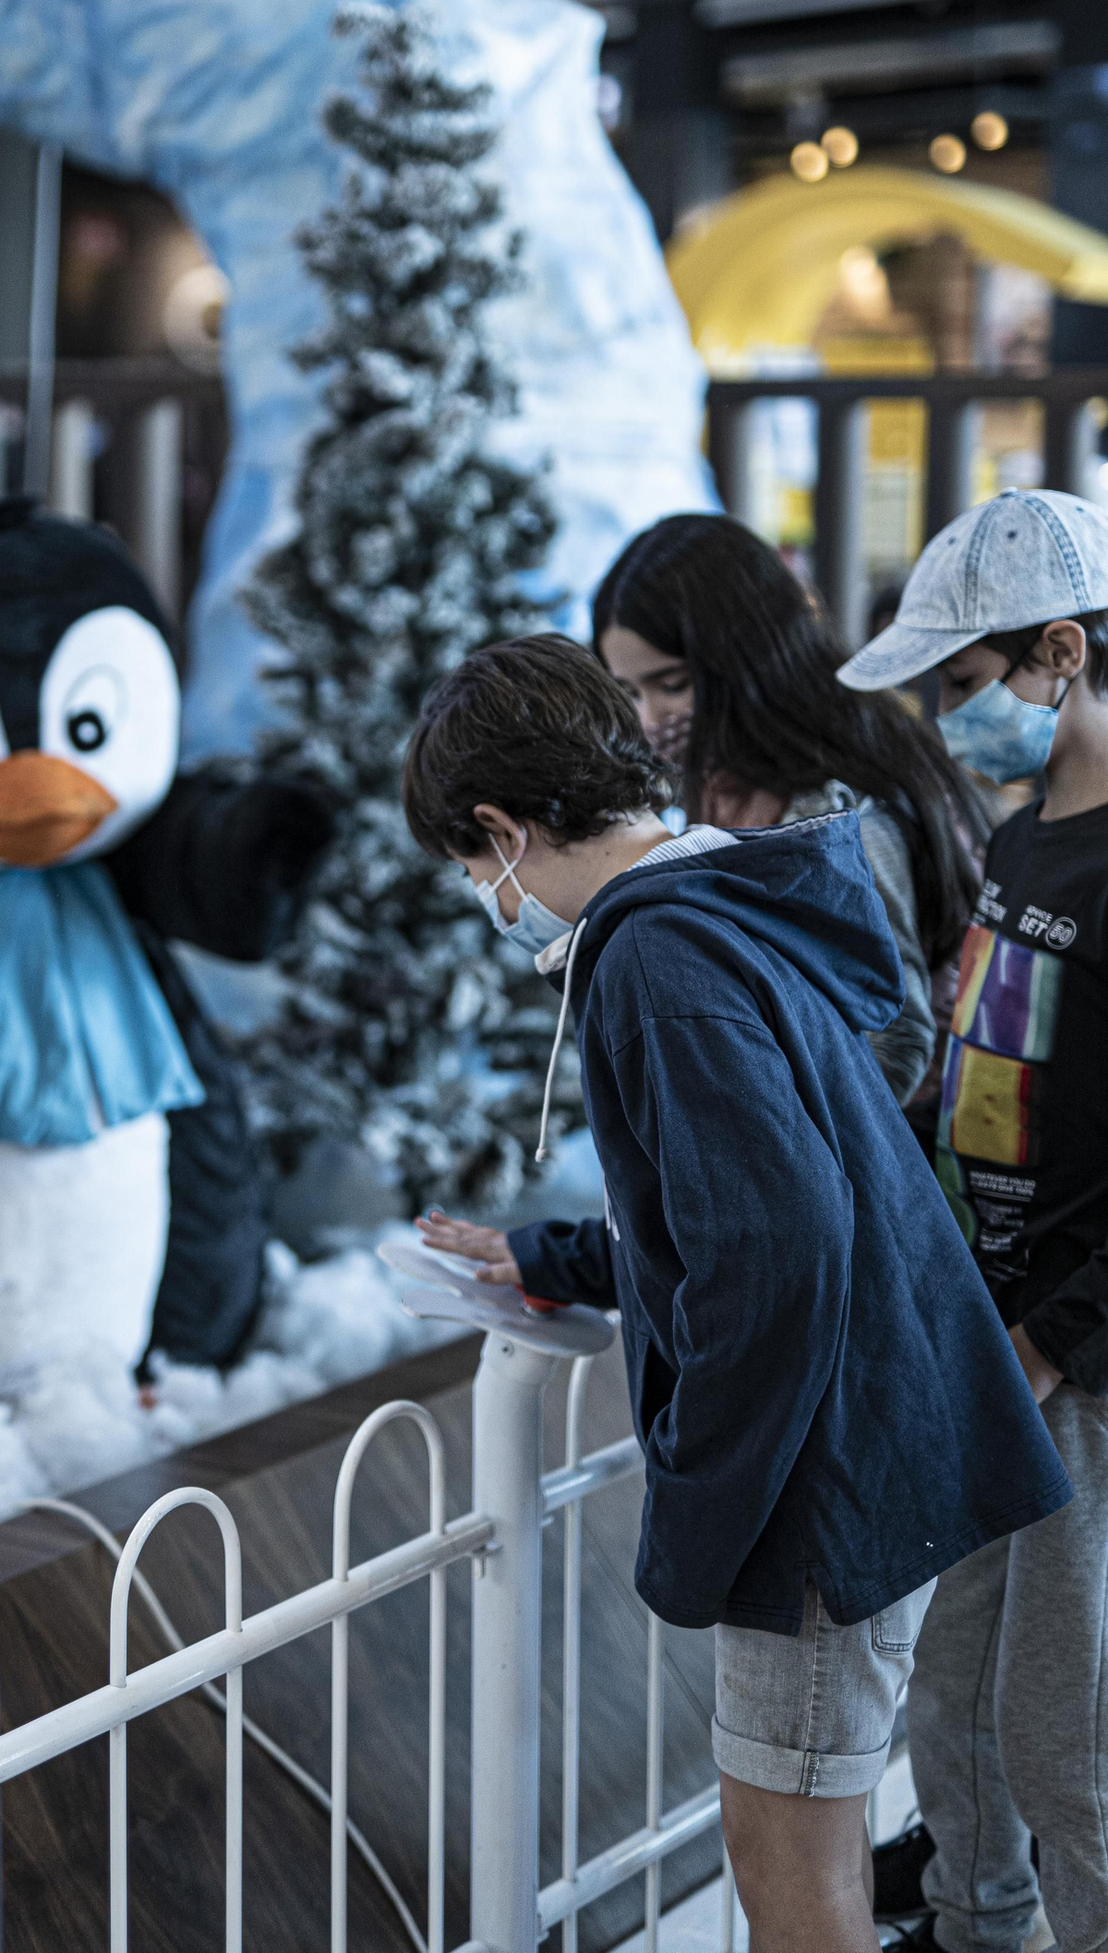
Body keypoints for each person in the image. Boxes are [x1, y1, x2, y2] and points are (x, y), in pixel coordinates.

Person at [401, 633, 1069, 1953]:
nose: (490, 896)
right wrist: (560, 1257)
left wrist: (704, 1502)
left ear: (501, 827)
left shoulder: (655, 960)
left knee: (790, 1872)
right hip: (883, 1440)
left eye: (477, 866)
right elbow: (752, 1188)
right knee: (806, 1838)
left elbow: (777, 1245)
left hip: (817, 1496)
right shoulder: (737, 901)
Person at [837, 486, 1108, 1953]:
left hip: (1075, 1375)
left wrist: (1059, 1340)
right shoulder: (1019, 841)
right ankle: (971, 1923)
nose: (948, 720)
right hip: (996, 1349)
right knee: (957, 1698)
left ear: (1060, 650)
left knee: (1073, 1746)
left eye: (963, 684)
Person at [591, 513, 985, 1111]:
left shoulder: (839, 809)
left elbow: (895, 1041)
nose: (649, 718)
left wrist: (763, 1142)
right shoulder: (725, 776)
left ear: (748, 659)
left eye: (672, 683)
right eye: (629, 691)